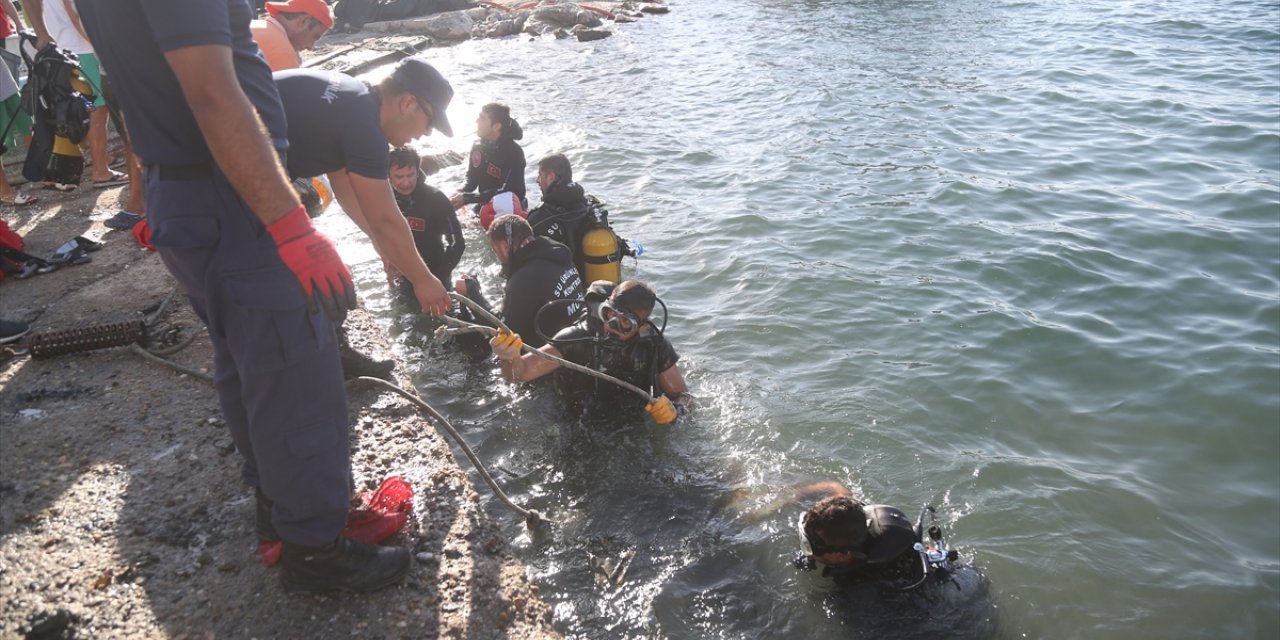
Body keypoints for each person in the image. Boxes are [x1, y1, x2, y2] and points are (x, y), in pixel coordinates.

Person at [75, 0, 420, 593]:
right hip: (230, 198)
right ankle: (315, 547)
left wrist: (163, 182)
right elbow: (212, 89)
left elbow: (136, 77)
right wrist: (291, 226)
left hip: (188, 187)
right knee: (297, 372)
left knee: (246, 362)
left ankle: (278, 505)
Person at [271, 57, 456, 377]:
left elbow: (344, 184)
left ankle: (323, 349)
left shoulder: (355, 98)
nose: (427, 134)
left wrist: (381, 244)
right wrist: (423, 280)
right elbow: (386, 218)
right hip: (218, 171)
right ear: (408, 102)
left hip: (230, 160)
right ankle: (315, 361)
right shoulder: (365, 128)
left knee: (314, 264)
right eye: (429, 122)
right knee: (321, 271)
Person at [490, 279, 687, 425]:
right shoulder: (576, 339)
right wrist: (508, 357)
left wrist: (676, 410)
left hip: (628, 422)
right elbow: (519, 373)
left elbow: (682, 395)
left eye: (626, 322)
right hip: (574, 421)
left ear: (642, 326)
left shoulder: (654, 346)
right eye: (610, 313)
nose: (612, 325)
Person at [454, 214, 582, 350]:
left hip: (549, 360)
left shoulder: (525, 278)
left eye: (496, 252)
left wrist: (472, 292)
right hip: (577, 343)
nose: (498, 258)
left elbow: (503, 331)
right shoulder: (559, 255)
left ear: (504, 246)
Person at [795, 481, 919, 585]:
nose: (807, 553)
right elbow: (832, 486)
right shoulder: (851, 514)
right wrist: (792, 497)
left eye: (809, 547)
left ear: (840, 556)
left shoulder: (857, 590)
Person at [388, 145, 463, 291]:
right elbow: (378, 232)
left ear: (418, 172)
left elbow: (456, 242)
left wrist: (437, 279)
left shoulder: (435, 199)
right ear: (389, 175)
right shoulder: (385, 200)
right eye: (399, 177)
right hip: (402, 277)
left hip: (435, 273)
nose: (405, 182)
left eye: (410, 175)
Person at [448, 102, 526, 230]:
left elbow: (504, 189)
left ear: (496, 126)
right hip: (484, 203)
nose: (477, 120)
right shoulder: (478, 146)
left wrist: (467, 198)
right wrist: (459, 194)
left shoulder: (513, 152)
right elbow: (471, 180)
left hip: (509, 206)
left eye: (482, 118)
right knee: (458, 226)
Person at [526, 152, 592, 267]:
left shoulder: (539, 219)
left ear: (551, 176)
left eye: (540, 175)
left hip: (564, 282)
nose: (537, 180)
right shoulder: (589, 205)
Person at [249, 0, 332, 72]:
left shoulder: (252, 25)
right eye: (315, 37)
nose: (310, 47)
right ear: (304, 21)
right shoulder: (281, 49)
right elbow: (291, 89)